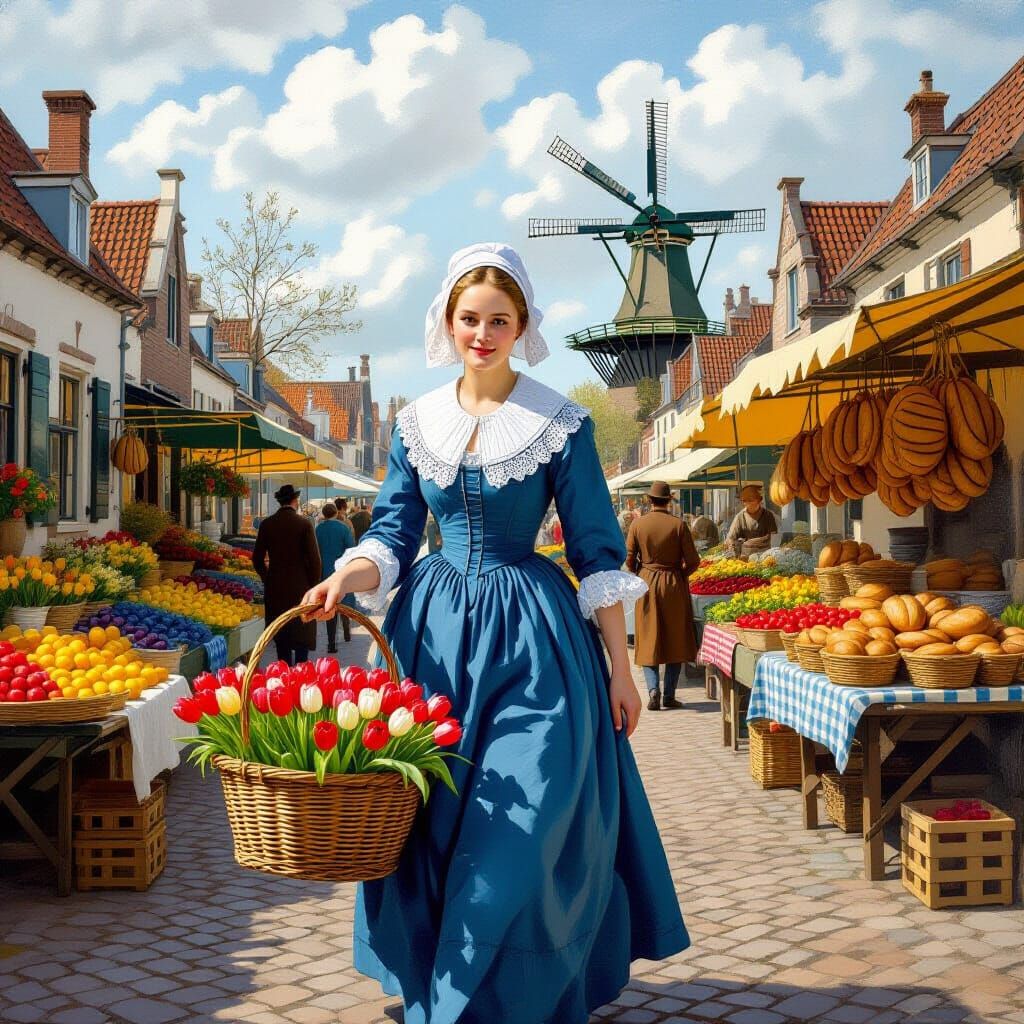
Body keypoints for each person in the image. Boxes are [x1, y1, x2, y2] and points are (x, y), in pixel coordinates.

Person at [303, 242, 688, 1024]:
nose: (482, 332)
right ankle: (449, 988)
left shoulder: (560, 421)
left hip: (535, 641)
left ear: (522, 326)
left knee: (524, 823)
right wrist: (348, 576)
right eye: (469, 318)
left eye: (498, 319)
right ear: (448, 322)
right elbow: (393, 534)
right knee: (434, 823)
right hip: (432, 640)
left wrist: (622, 667)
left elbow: (595, 553)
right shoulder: (417, 422)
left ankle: (498, 996)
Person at [626, 481, 700, 711]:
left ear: (649, 500)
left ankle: (652, 690)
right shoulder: (678, 525)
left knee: (648, 638)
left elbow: (629, 559)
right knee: (675, 638)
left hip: (646, 582)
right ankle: (669, 694)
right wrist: (679, 574)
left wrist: (643, 572)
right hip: (673, 584)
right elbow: (694, 560)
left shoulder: (638, 525)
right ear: (669, 500)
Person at [253, 484, 321, 666]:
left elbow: (257, 559)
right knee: (301, 637)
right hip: (301, 587)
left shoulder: (267, 524)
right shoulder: (304, 524)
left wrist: (267, 578)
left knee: (280, 637)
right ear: (295, 501)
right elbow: (315, 561)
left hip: (276, 587)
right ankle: (300, 678)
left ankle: (283, 676)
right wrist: (313, 586)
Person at [314, 503, 355, 650]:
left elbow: (314, 549)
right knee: (343, 601)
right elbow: (351, 548)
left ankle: (332, 643)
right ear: (336, 513)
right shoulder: (343, 528)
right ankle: (346, 630)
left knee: (329, 604)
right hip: (341, 570)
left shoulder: (318, 529)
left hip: (325, 571)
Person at [725, 484, 778, 557]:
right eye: (746, 501)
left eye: (751, 500)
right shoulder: (740, 517)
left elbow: (774, 536)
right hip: (746, 556)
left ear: (759, 501)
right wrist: (731, 548)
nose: (749, 504)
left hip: (765, 555)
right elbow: (731, 537)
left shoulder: (768, 515)